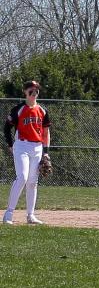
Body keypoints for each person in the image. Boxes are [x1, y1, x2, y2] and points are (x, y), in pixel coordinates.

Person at [3, 80, 51, 225]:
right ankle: (8, 214)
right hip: (22, 146)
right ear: (25, 92)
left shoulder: (42, 110)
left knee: (32, 182)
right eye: (31, 90)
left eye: (36, 90)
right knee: (22, 177)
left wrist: (46, 152)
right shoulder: (18, 109)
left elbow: (46, 132)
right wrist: (11, 145)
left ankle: (30, 216)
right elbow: (6, 128)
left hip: (37, 147)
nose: (34, 92)